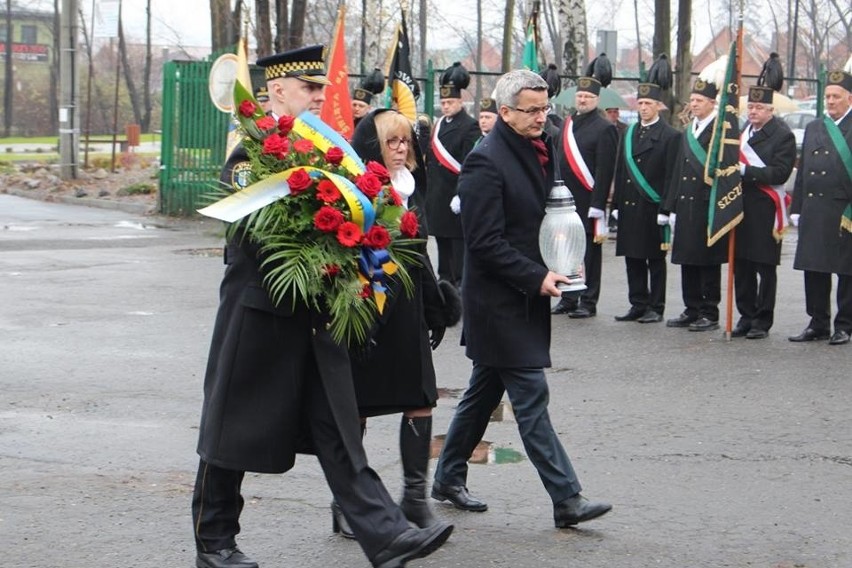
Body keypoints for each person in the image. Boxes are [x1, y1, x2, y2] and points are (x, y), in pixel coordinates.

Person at [191, 45, 452, 568]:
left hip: (316, 315)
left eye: (318, 88)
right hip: (259, 314)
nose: (317, 96)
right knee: (231, 432)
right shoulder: (251, 152)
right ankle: (214, 543)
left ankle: (386, 535)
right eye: (308, 88)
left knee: (338, 427)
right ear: (276, 91)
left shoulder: (318, 151)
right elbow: (252, 235)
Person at [431, 69, 612, 528]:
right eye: (531, 110)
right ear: (505, 111)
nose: (541, 117)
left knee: (481, 392)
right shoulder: (484, 161)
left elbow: (546, 212)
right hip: (498, 301)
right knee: (531, 398)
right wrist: (537, 277)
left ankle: (447, 477)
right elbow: (484, 242)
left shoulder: (541, 144)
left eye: (545, 107)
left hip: (526, 291)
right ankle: (566, 498)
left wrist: (564, 257)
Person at [327, 109, 462, 539]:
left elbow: (418, 251)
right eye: (392, 142)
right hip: (366, 310)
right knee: (360, 409)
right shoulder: (355, 190)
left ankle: (415, 500)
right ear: (373, 146)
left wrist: (436, 305)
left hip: (408, 310)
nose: (402, 149)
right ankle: (347, 504)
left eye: (406, 141)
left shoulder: (411, 187)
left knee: (421, 399)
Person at [788, 70, 852, 346]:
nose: (831, 101)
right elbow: (804, 171)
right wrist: (797, 206)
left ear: (849, 98)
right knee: (814, 267)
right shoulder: (815, 126)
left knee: (846, 271)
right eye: (827, 96)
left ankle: (845, 325)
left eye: (836, 96)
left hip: (843, 210)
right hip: (814, 208)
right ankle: (818, 322)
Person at [662, 78, 729, 332]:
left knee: (707, 261)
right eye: (692, 100)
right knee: (687, 259)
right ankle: (691, 308)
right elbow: (677, 170)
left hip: (706, 204)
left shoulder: (721, 132)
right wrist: (670, 207)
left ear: (713, 103)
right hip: (685, 204)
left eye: (700, 101)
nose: (694, 104)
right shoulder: (688, 131)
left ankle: (709, 312)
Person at [611, 83, 680, 323]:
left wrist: (667, 208)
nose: (643, 108)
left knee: (654, 260)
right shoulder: (629, 133)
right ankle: (637, 302)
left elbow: (672, 176)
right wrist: (616, 205)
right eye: (640, 104)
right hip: (630, 205)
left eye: (648, 104)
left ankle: (656, 306)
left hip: (652, 206)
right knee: (633, 256)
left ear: (658, 106)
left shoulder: (671, 136)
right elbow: (620, 171)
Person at [551, 76, 619, 318]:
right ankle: (569, 296)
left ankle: (589, 301)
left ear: (596, 100)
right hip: (566, 201)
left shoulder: (605, 128)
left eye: (588, 97)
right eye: (580, 95)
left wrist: (599, 204)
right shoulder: (568, 124)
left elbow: (605, 169)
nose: (583, 99)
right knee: (566, 251)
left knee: (590, 253)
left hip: (589, 200)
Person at [733, 85, 797, 339]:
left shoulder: (782, 136)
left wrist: (747, 171)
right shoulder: (742, 132)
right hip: (740, 207)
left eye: (759, 107)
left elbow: (780, 173)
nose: (753, 111)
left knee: (764, 266)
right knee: (742, 266)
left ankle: (762, 319)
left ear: (771, 109)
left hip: (765, 208)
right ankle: (745, 315)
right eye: (750, 106)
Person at [426, 62, 481, 287]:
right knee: (441, 241)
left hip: (455, 194)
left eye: (450, 102)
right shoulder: (438, 125)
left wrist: (461, 193)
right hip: (438, 194)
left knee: (457, 243)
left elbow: (469, 163)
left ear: (460, 102)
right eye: (443, 103)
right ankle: (445, 279)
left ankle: (459, 282)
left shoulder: (470, 126)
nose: (446, 106)